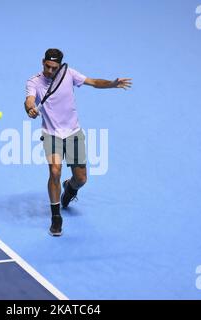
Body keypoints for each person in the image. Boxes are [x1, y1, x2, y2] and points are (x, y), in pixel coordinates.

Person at [24, 48, 132, 237]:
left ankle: (69, 188)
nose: (50, 71)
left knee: (81, 179)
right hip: (52, 134)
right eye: (47, 66)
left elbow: (94, 82)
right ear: (42, 62)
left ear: (59, 66)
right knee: (55, 171)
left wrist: (112, 84)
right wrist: (30, 109)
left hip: (73, 133)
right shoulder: (33, 82)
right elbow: (29, 100)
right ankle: (56, 217)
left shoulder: (69, 74)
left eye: (54, 68)